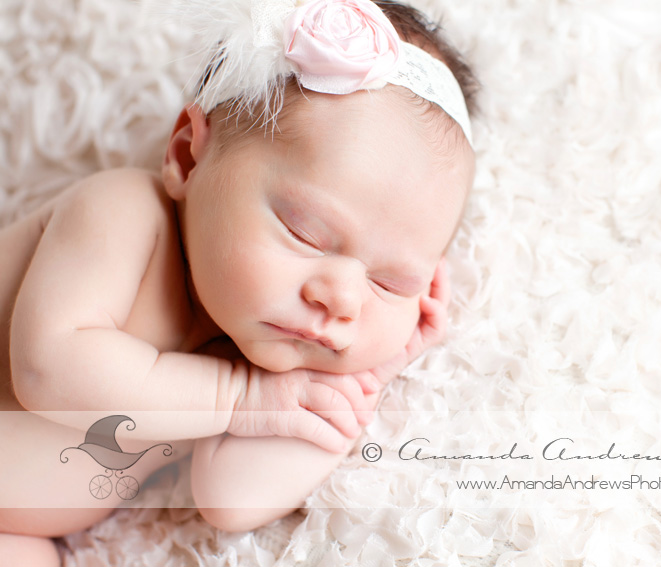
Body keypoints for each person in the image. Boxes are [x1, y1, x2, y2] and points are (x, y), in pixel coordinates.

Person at [0, 0, 478, 564]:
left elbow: (232, 501)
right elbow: (46, 366)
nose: (342, 299)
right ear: (188, 156)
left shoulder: (263, 351)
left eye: (391, 284)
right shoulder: (125, 214)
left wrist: (359, 381)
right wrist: (240, 400)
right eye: (305, 232)